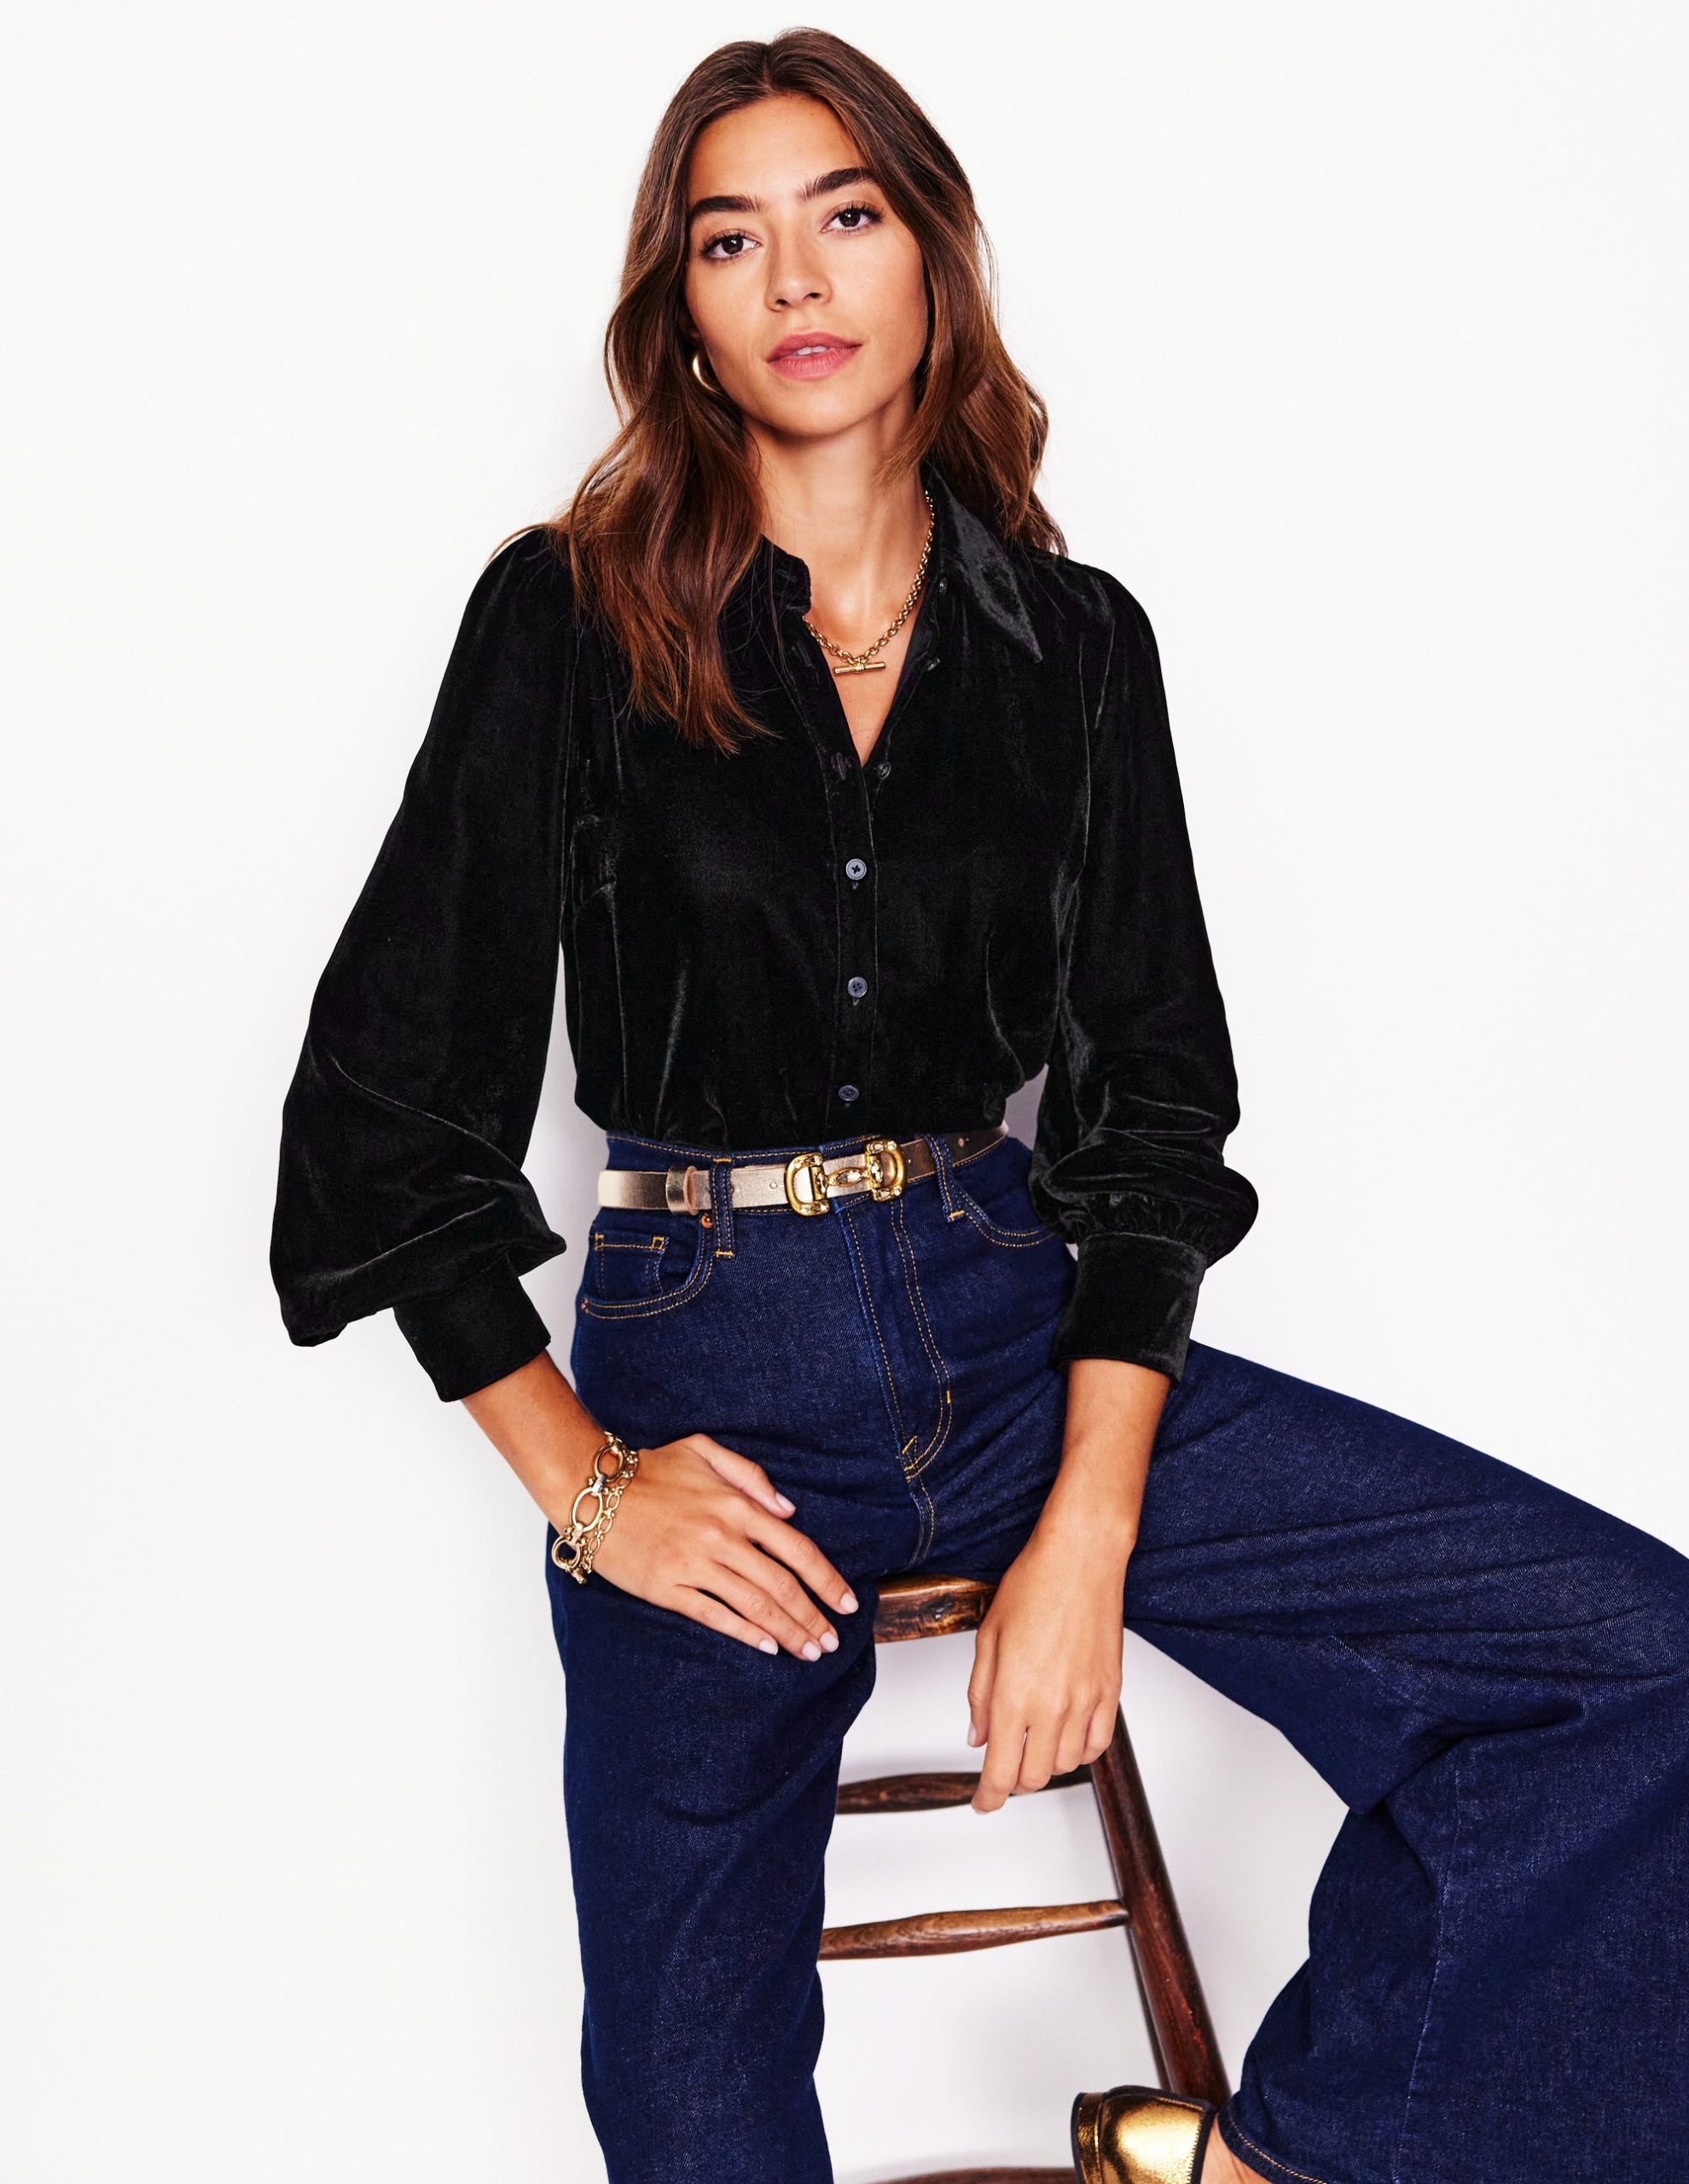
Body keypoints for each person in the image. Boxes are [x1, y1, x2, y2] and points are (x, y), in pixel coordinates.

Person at [268, 31, 1689, 2184]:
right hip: (714, 1367)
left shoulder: (1076, 645)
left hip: (1017, 1327)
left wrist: (1090, 1526)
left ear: (930, 257)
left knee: (1633, 1669)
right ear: (682, 306)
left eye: (845, 214)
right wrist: (591, 1486)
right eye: (730, 238)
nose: (796, 277)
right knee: (688, 2091)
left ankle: (1271, 2162)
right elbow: (386, 1109)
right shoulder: (570, 616)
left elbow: (1153, 1104)